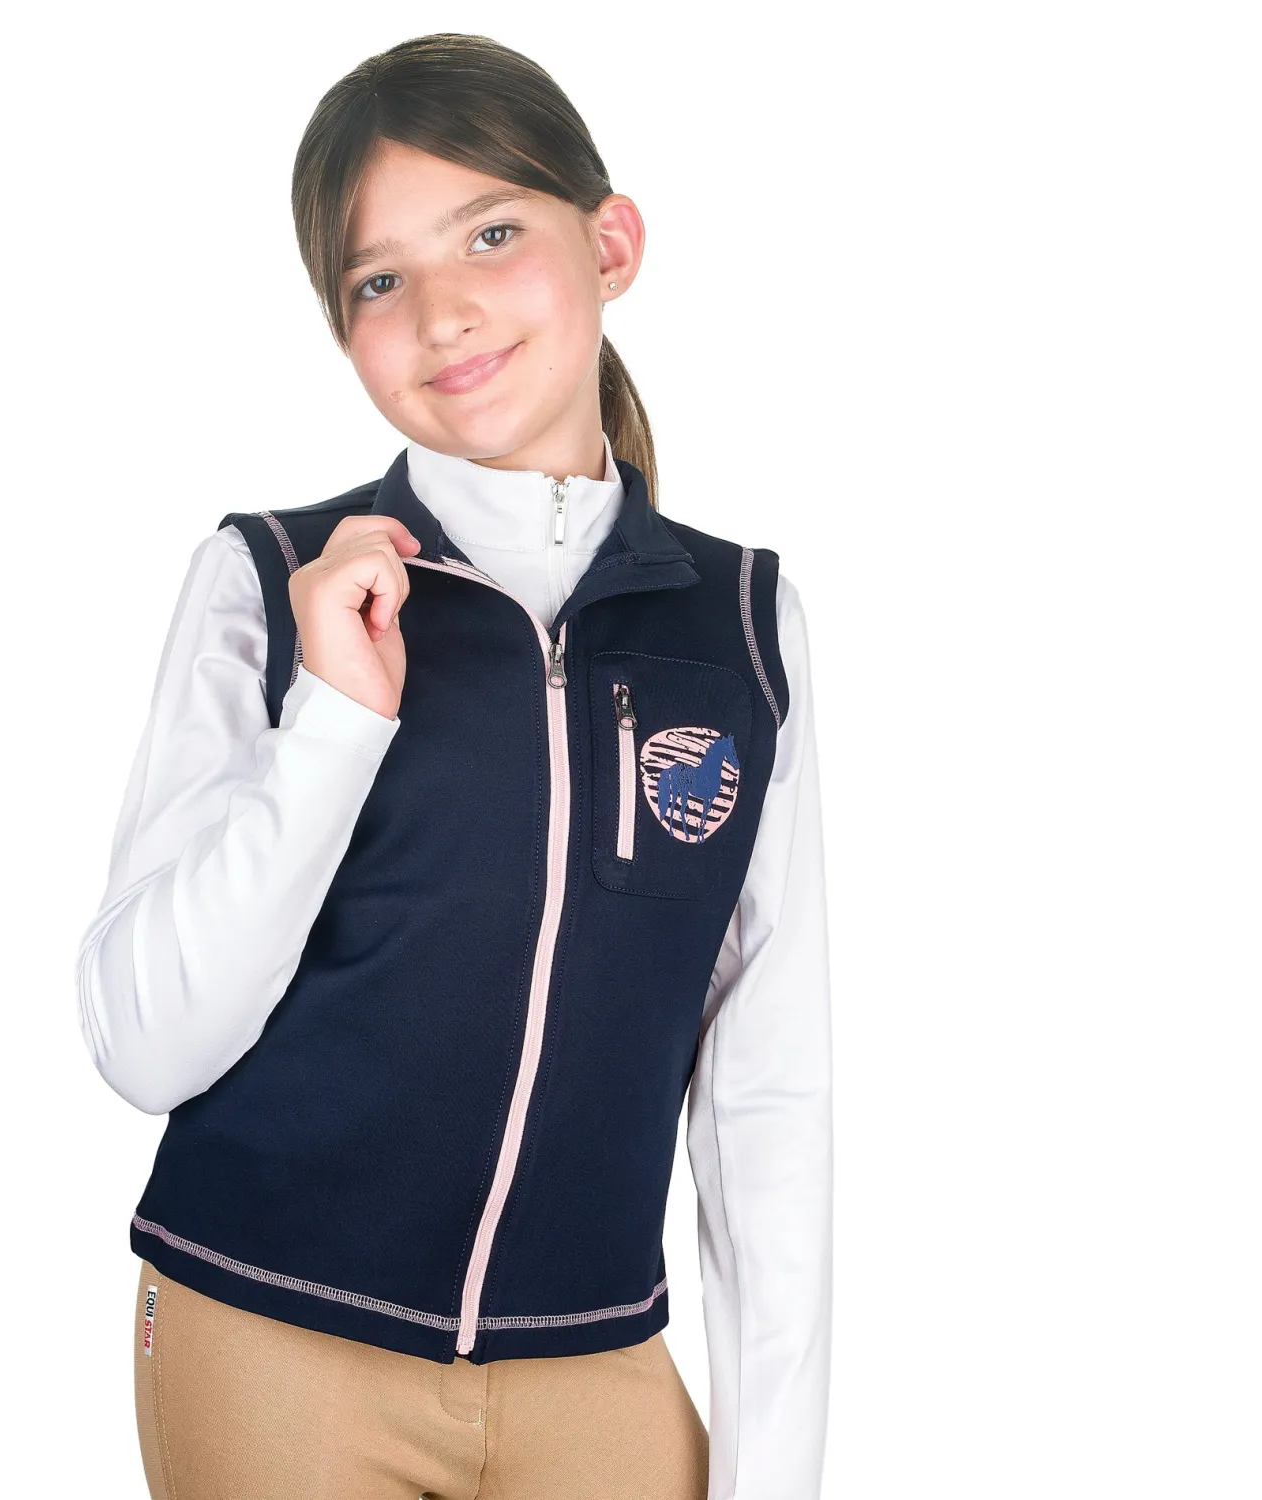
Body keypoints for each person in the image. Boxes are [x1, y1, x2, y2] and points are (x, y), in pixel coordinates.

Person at [75, 31, 833, 1500]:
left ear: (610, 244)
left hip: (595, 1363)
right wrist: (337, 716)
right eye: (378, 281)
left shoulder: (741, 623)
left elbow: (767, 1090)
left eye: (492, 233)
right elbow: (144, 1043)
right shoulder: (270, 582)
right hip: (272, 1333)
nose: (443, 311)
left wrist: (775, 1474)